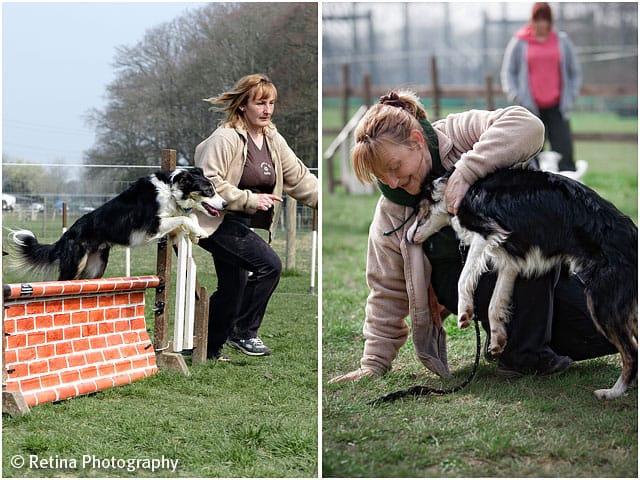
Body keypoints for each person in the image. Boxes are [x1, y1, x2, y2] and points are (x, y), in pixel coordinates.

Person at [329, 90, 616, 384]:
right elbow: (385, 289)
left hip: (534, 266)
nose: (392, 182)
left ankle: (527, 337)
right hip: (465, 278)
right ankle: (522, 354)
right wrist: (374, 363)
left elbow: (529, 127)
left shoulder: (456, 134)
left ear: (417, 142)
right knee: (527, 248)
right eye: (381, 176)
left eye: (394, 167)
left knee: (604, 331)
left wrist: (466, 171)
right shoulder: (391, 212)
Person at [194, 74, 318, 360]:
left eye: (272, 103)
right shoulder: (224, 138)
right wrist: (250, 198)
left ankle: (206, 348)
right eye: (260, 103)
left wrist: (324, 205)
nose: (267, 110)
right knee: (270, 266)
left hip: (241, 222)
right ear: (242, 106)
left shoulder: (272, 138)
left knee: (233, 288)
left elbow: (298, 178)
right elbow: (208, 182)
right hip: (216, 220)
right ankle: (243, 331)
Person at [501, 2, 581, 171]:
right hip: (530, 107)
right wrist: (515, 94)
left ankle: (569, 187)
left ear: (550, 22)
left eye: (545, 20)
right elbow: (508, 72)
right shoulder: (520, 42)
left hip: (558, 106)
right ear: (532, 20)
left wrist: (571, 94)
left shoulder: (562, 41)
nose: (541, 24)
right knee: (531, 152)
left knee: (564, 150)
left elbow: (575, 71)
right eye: (538, 19)